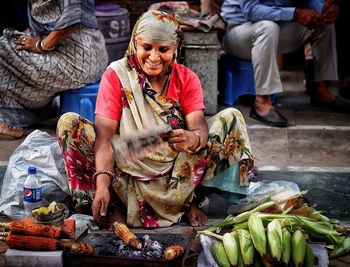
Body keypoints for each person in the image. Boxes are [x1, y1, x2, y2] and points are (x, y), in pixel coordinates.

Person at [57, 10, 254, 229]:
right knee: (69, 125)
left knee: (231, 118)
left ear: (175, 48)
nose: (154, 57)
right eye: (147, 47)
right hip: (126, 166)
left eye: (163, 50)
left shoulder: (186, 78)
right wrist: (102, 184)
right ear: (135, 44)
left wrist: (194, 138)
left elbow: (199, 125)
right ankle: (111, 205)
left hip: (176, 171)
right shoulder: (117, 75)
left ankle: (189, 202)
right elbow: (105, 137)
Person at [220, 0, 349, 127]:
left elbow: (308, 2)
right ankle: (262, 101)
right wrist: (295, 13)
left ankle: (321, 90)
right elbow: (252, 11)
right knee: (268, 27)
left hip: (274, 30)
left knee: (323, 24)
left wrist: (323, 9)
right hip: (238, 31)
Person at [0, 0, 108, 139]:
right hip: (74, 56)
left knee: (3, 50)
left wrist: (40, 46)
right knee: (11, 45)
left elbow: (71, 18)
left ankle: (7, 122)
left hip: (78, 61)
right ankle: (41, 110)